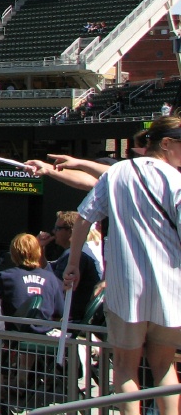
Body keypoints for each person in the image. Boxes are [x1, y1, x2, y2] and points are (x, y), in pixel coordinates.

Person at [64, 115, 181, 415]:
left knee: (126, 368)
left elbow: (83, 218)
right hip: (170, 288)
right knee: (164, 365)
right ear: (166, 144)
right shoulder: (176, 180)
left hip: (125, 288)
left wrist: (73, 264)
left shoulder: (118, 172)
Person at [0, 233, 64, 331]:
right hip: (44, 336)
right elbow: (60, 312)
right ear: (38, 252)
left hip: (14, 336)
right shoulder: (51, 278)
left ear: (13, 253)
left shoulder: (5, 277)